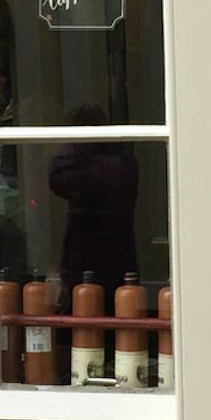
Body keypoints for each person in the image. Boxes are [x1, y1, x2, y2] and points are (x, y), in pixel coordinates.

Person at [48, 108, 140, 305]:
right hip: (102, 248)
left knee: (97, 308)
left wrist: (76, 154)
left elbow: (61, 178)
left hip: (96, 250)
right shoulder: (119, 160)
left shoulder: (110, 165)